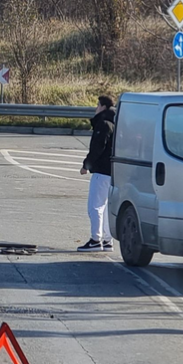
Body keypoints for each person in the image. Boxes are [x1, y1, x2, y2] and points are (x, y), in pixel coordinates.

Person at [78, 95, 117, 252]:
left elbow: (97, 147)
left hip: (101, 171)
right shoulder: (116, 123)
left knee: (95, 206)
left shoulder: (103, 124)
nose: (95, 108)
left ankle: (96, 239)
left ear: (103, 107)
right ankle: (107, 240)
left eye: (97, 105)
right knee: (106, 207)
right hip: (113, 171)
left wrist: (86, 165)